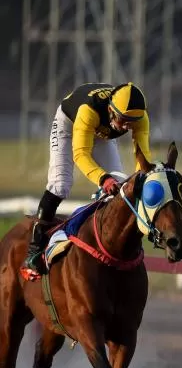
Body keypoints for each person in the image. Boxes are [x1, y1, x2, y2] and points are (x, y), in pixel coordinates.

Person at [21, 82, 153, 279]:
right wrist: (102, 179)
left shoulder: (140, 118)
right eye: (123, 120)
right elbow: (81, 154)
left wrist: (139, 179)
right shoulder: (88, 110)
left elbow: (142, 157)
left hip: (101, 132)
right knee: (60, 184)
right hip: (70, 123)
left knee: (121, 183)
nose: (127, 126)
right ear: (111, 109)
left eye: (131, 122)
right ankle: (34, 250)